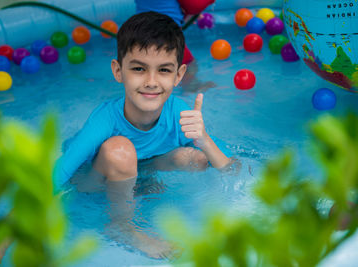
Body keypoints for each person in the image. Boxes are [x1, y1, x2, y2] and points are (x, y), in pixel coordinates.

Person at [53, 11, 234, 259]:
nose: (151, 82)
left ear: (178, 75)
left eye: (163, 70)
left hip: (141, 173)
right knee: (120, 150)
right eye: (139, 68)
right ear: (118, 71)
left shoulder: (179, 113)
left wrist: (204, 139)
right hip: (92, 181)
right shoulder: (105, 120)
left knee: (196, 158)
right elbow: (61, 173)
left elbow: (231, 168)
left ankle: (141, 186)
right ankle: (122, 226)